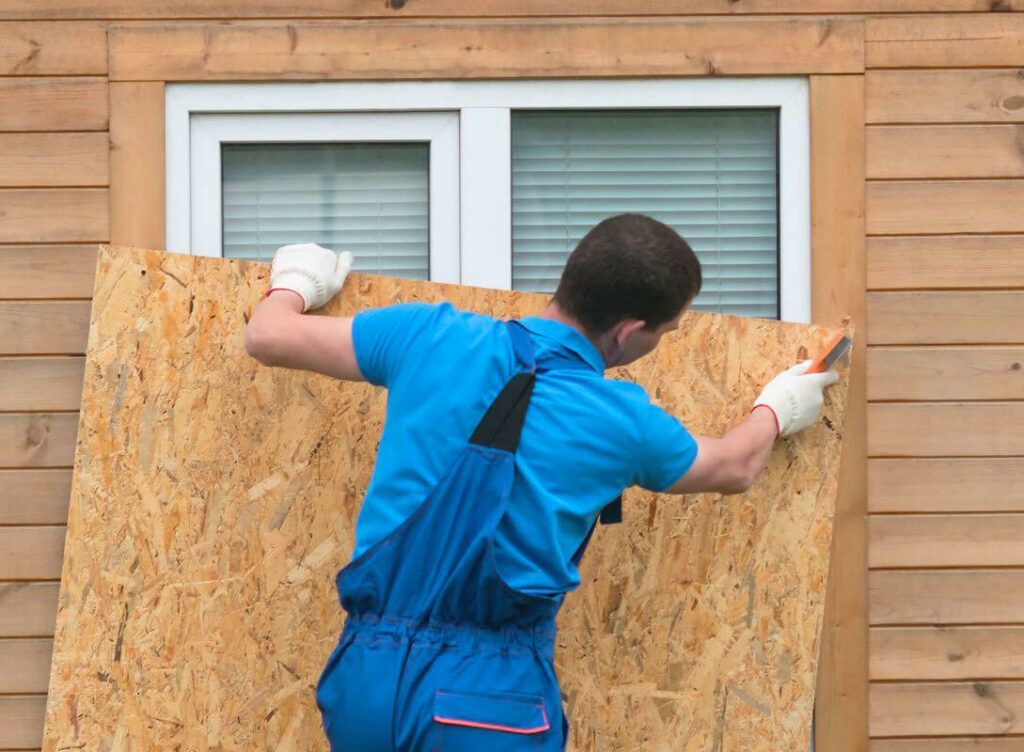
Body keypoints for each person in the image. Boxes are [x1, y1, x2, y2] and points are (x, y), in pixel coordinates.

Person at [244, 213, 838, 752]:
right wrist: (778, 407)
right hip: (488, 701)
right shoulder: (623, 420)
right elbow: (733, 465)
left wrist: (297, 282)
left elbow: (268, 337)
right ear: (629, 332)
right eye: (664, 332)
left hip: (366, 688)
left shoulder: (425, 335)